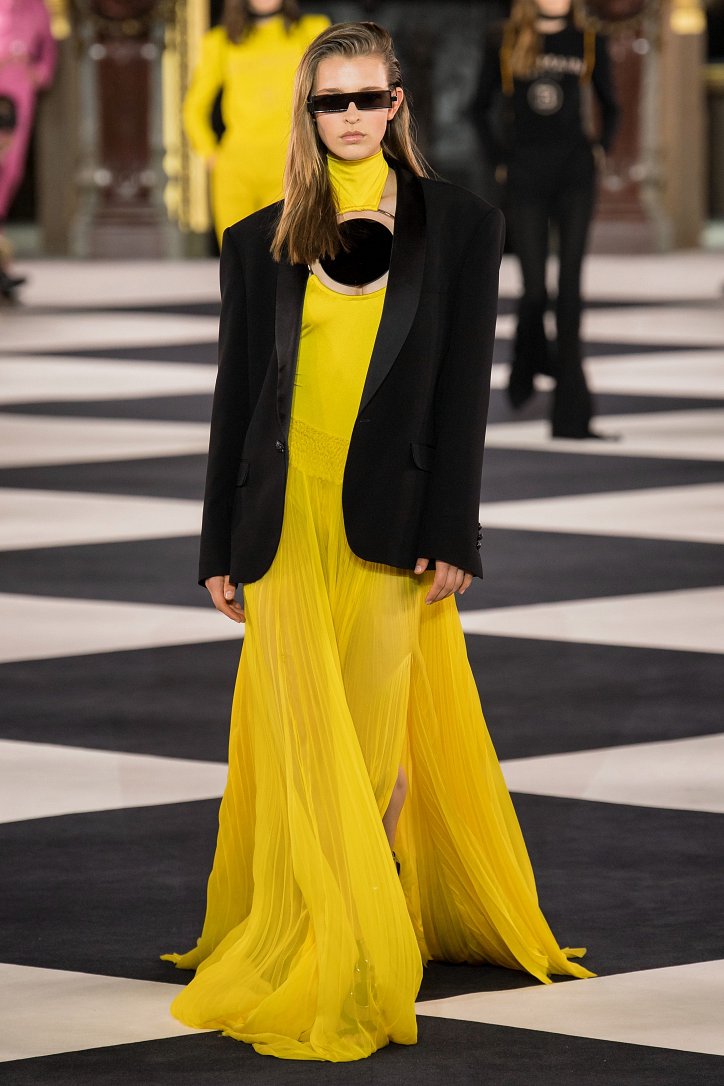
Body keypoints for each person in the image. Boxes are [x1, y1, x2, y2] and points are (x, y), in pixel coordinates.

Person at [162, 21, 594, 1062]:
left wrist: (455, 531)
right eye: (332, 101)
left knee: (370, 736)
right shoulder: (258, 237)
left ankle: (366, 930)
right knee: (301, 736)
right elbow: (237, 400)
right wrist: (217, 542)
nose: (352, 116)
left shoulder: (462, 224)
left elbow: (462, 393)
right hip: (284, 519)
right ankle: (344, 928)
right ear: (308, 113)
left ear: (397, 104)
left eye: (369, 98)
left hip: (392, 522)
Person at [473, 0, 620, 438]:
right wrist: (499, 159)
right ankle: (527, 368)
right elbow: (477, 107)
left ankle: (572, 417)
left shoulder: (589, 40)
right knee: (534, 291)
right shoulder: (504, 41)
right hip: (526, 173)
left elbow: (612, 105)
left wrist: (600, 150)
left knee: (570, 293)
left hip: (575, 174)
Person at [182, 0, 329, 245]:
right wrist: (211, 155)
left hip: (291, 161)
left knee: (290, 253)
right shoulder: (220, 41)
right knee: (237, 255)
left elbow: (331, 93)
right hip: (237, 167)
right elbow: (194, 108)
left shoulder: (311, 31)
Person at [0, 0, 56, 300]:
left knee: (10, 168)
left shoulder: (36, 7)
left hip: (18, 81)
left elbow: (47, 46)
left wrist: (39, 72)